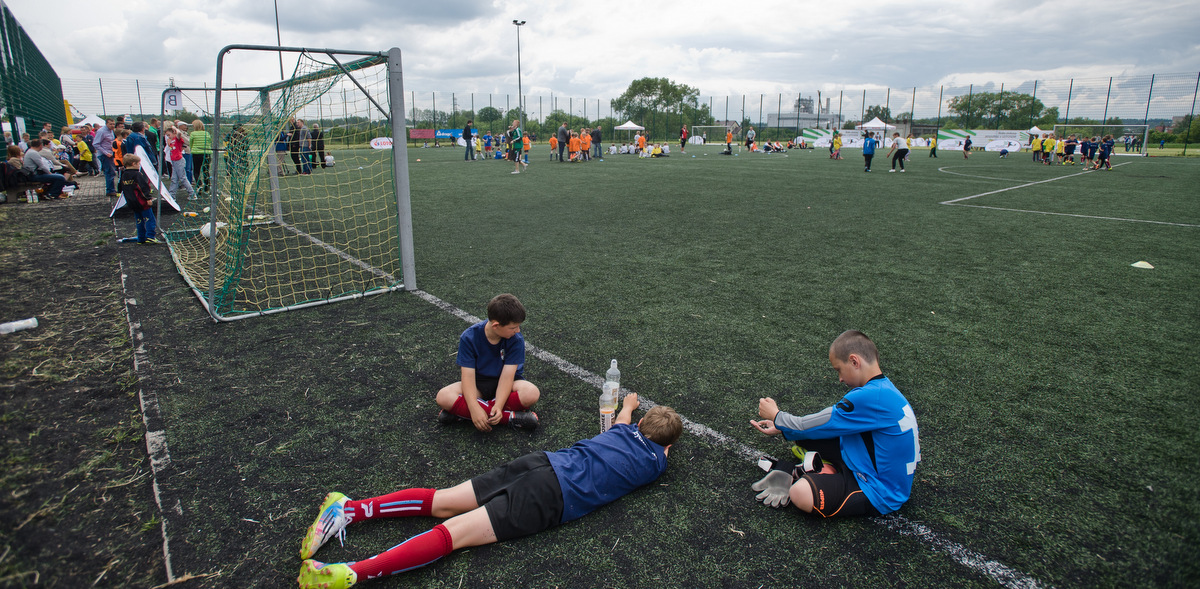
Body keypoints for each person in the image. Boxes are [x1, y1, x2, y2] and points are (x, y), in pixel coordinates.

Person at [297, 395, 681, 589]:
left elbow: (623, 420)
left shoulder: (621, 430)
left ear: (642, 423)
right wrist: (660, 445)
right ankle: (352, 574)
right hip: (553, 496)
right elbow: (655, 446)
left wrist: (629, 405)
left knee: (442, 501)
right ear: (668, 447)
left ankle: (349, 509)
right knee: (455, 535)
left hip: (541, 463)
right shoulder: (656, 464)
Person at [749, 330, 920, 518]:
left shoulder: (869, 396)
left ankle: (797, 472)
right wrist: (782, 428)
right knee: (805, 438)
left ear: (854, 361)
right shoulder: (884, 389)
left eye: (839, 369)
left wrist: (777, 416)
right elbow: (819, 427)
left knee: (800, 494)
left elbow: (810, 424)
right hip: (871, 464)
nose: (839, 378)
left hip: (879, 490)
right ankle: (825, 469)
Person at [435, 294, 539, 430]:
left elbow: (507, 377)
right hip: (478, 385)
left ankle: (460, 414)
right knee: (443, 396)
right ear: (496, 325)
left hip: (507, 385)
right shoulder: (469, 337)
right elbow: (467, 376)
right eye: (513, 328)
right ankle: (511, 417)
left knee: (531, 393)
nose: (517, 331)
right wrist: (473, 408)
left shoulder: (516, 339)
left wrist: (499, 405)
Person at [119, 153, 160, 244]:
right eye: (138, 163)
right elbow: (143, 187)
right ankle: (150, 236)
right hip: (141, 201)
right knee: (149, 218)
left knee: (139, 220)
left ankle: (141, 238)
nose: (139, 165)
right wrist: (148, 198)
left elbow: (121, 188)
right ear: (134, 164)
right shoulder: (137, 174)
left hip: (131, 202)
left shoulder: (124, 175)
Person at [165, 126, 196, 200]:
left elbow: (179, 134)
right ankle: (172, 195)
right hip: (174, 161)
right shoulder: (171, 140)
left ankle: (192, 194)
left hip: (179, 161)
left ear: (173, 133)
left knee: (182, 178)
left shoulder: (177, 139)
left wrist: (174, 128)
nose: (168, 137)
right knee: (174, 179)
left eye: (169, 134)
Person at [94, 119, 119, 196]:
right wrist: (105, 152)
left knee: (112, 172)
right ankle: (110, 190)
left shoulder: (111, 131)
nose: (112, 125)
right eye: (110, 124)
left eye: (113, 124)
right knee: (109, 172)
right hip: (105, 154)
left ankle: (112, 189)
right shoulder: (101, 131)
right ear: (106, 124)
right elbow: (95, 144)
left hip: (111, 153)